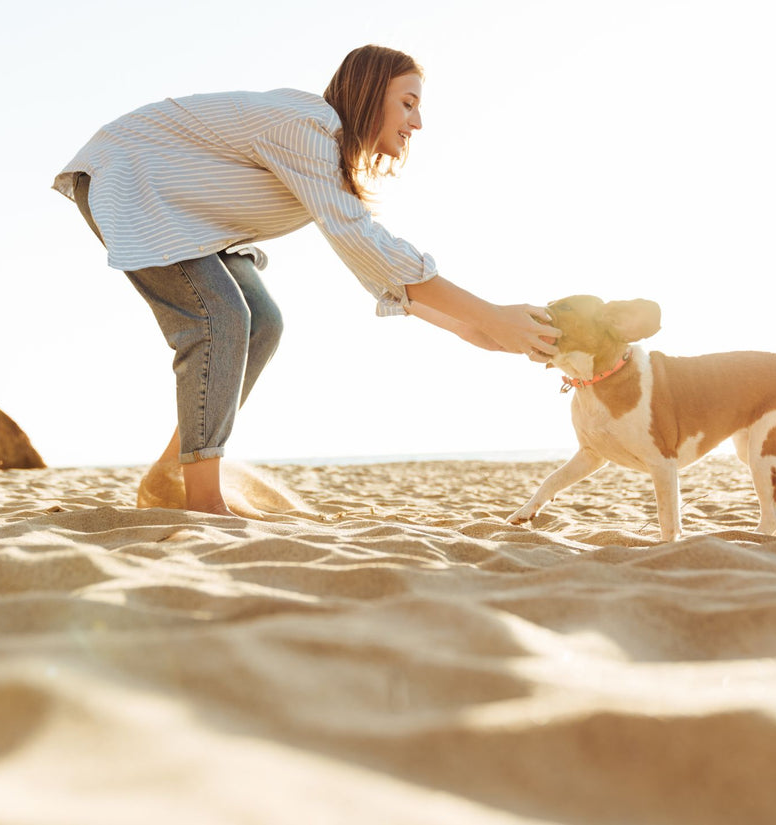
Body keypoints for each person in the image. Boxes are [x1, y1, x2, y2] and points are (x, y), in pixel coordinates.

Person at [53, 44, 560, 516]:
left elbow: (378, 268)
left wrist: (487, 333)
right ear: (368, 93)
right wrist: (491, 315)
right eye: (407, 104)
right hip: (130, 175)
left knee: (263, 322)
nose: (418, 122)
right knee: (221, 318)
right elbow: (370, 246)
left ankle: (170, 474)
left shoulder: (325, 158)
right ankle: (203, 502)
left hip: (183, 208)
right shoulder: (308, 129)